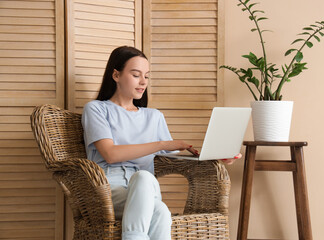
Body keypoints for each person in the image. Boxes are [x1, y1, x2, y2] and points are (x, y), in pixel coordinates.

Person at [81, 46, 241, 240]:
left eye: (146, 76)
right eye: (136, 75)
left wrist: (217, 155)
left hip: (146, 190)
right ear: (116, 74)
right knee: (160, 212)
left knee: (144, 179)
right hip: (107, 189)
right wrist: (160, 144)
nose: (143, 82)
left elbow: (174, 158)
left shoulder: (154, 116)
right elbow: (110, 154)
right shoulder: (97, 109)